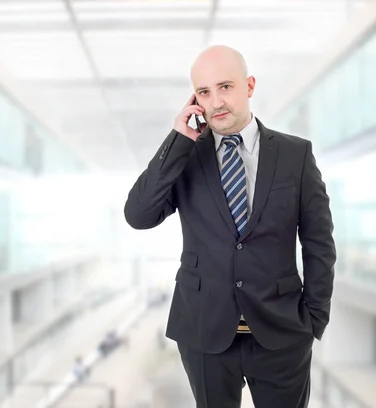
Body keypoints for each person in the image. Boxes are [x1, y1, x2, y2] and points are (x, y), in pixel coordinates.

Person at [123, 45, 336, 408]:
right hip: (204, 333)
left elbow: (318, 242)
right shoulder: (185, 157)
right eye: (204, 92)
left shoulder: (295, 154)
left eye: (226, 87)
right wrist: (178, 140)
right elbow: (139, 215)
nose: (216, 101)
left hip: (282, 332)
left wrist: (314, 318)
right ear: (196, 99)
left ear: (249, 86)